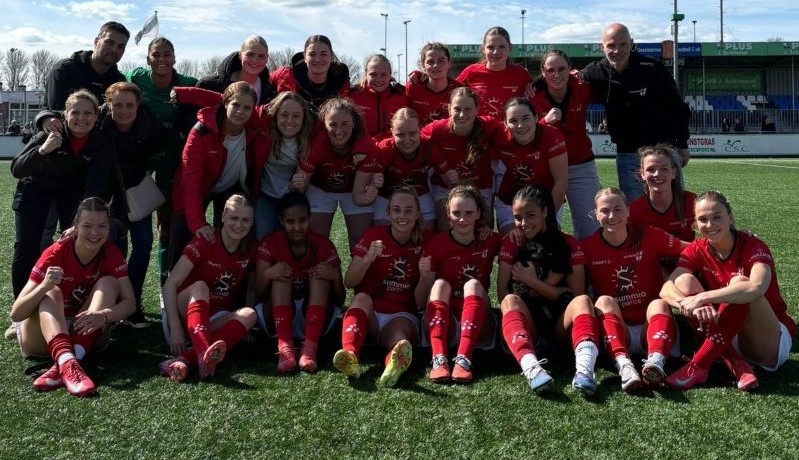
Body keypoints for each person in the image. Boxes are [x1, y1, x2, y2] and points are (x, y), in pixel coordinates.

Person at [660, 191, 796, 391]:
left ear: (730, 218)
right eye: (703, 219)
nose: (710, 224)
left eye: (717, 217)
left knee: (740, 283)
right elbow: (666, 288)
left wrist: (703, 297)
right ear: (695, 225)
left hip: (768, 342)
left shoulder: (752, 245)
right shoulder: (697, 248)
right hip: (727, 334)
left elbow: (756, 287)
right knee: (684, 281)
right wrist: (686, 303)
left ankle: (699, 364)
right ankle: (736, 363)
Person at [11, 197, 135, 397]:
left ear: (109, 226)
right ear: (76, 226)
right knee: (52, 291)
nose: (95, 233)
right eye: (87, 226)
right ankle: (69, 360)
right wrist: (44, 286)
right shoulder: (56, 252)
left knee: (109, 283)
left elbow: (130, 304)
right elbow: (16, 314)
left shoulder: (111, 253)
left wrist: (103, 316)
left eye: (102, 226)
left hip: (85, 335)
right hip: (44, 337)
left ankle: (67, 361)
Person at [497, 184, 601, 394]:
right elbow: (502, 295)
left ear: (545, 212)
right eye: (517, 217)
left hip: (560, 326)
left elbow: (576, 294)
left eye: (530, 215)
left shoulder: (567, 243)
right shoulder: (512, 242)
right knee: (509, 301)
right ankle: (532, 368)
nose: (524, 223)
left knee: (583, 302)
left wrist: (533, 282)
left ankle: (584, 371)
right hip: (532, 326)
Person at [581, 188, 687, 391]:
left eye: (618, 209)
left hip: (652, 325)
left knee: (659, 302)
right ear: (595, 214)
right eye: (604, 210)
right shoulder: (586, 247)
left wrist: (732, 237)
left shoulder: (647, 235)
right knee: (603, 301)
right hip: (618, 330)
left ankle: (656, 362)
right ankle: (624, 364)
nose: (612, 216)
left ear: (628, 211)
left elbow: (691, 248)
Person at [10, 90, 113, 299]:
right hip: (35, 189)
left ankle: (71, 300)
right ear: (65, 115)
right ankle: (22, 306)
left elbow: (96, 183)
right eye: (75, 112)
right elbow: (17, 168)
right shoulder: (50, 132)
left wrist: (81, 220)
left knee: (76, 242)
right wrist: (43, 150)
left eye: (88, 113)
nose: (81, 118)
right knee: (26, 247)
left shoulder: (99, 141)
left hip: (69, 192)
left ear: (96, 116)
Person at [581, 23, 691, 202]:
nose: (617, 51)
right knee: (636, 210)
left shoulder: (653, 68)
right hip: (627, 154)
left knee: (672, 207)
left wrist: (683, 143)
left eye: (623, 44)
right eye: (611, 45)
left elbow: (678, 107)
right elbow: (565, 80)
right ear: (602, 47)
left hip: (663, 151)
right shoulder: (594, 72)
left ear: (631, 43)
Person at [332, 187, 429, 388]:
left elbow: (420, 303)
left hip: (402, 314)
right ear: (388, 212)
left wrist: (424, 277)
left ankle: (393, 366)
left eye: (409, 210)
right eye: (397, 210)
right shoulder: (374, 235)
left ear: (418, 214)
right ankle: (350, 354)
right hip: (371, 315)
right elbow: (349, 282)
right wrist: (368, 259)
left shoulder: (427, 240)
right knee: (360, 298)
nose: (402, 216)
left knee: (400, 340)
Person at [160, 194, 257, 382]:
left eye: (245, 220)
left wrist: (246, 329)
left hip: (214, 319)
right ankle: (203, 353)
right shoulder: (206, 240)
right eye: (234, 218)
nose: (239, 225)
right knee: (200, 287)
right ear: (222, 217)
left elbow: (252, 288)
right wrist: (175, 328)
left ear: (252, 222)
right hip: (182, 315)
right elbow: (170, 284)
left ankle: (184, 360)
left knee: (249, 314)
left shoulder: (251, 247)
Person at [126, 37, 198, 285]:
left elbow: (210, 98)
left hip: (171, 159)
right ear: (148, 59)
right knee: (134, 221)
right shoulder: (136, 77)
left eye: (167, 54)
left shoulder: (188, 83)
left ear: (174, 58)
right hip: (142, 160)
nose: (162, 59)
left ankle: (164, 283)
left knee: (166, 226)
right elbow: (116, 90)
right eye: (156, 55)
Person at [254, 192, 345, 374]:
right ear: (281, 221)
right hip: (276, 319)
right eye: (290, 222)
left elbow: (340, 299)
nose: (297, 227)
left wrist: (334, 276)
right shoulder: (270, 243)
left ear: (310, 219)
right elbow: (259, 294)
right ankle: (285, 348)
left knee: (319, 274)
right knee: (281, 274)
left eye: (302, 220)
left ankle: (310, 348)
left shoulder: (323, 245)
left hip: (314, 320)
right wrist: (269, 274)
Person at [168, 81, 256, 268]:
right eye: (235, 105)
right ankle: (171, 280)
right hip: (199, 188)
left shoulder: (254, 124)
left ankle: (223, 280)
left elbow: (281, 108)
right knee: (183, 235)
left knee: (231, 236)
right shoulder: (201, 132)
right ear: (225, 104)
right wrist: (197, 224)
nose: (241, 111)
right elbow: (190, 182)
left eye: (247, 108)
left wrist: (185, 93)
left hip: (230, 189)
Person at [418, 185, 500, 383]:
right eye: (456, 213)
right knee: (440, 284)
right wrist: (423, 277)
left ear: (479, 213)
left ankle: (464, 359)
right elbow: (420, 302)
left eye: (469, 213)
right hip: (443, 324)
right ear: (448, 214)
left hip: (478, 325)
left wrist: (515, 235)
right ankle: (438, 359)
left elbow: (513, 249)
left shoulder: (491, 240)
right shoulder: (436, 244)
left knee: (473, 285)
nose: (462, 219)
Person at [99, 81, 166, 327]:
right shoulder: (99, 122)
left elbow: (162, 149)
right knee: (115, 249)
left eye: (129, 105)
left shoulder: (150, 123)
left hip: (136, 193)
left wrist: (147, 169)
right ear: (108, 104)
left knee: (143, 244)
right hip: (109, 195)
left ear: (138, 104)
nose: (124, 110)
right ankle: (115, 303)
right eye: (118, 105)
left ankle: (133, 301)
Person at [532, 49, 601, 239]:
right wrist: (544, 122)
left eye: (561, 69)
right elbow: (525, 132)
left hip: (581, 164)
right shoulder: (533, 97)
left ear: (570, 68)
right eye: (550, 70)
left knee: (591, 224)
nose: (556, 74)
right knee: (546, 224)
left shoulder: (583, 88)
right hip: (547, 168)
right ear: (543, 71)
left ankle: (586, 258)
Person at [353, 107, 456, 230]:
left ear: (420, 129)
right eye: (400, 135)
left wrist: (453, 178)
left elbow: (449, 181)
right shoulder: (383, 149)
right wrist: (373, 184)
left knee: (426, 235)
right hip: (387, 196)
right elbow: (372, 183)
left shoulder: (430, 149)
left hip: (420, 195)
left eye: (412, 133)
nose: (407, 140)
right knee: (382, 234)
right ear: (392, 132)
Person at [296, 97, 373, 250]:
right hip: (320, 189)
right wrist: (296, 184)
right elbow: (299, 188)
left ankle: (358, 266)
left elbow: (358, 196)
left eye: (345, 124)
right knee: (317, 241)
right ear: (324, 125)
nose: (339, 131)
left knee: (360, 241)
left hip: (353, 189)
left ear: (354, 123)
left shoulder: (366, 145)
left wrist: (371, 192)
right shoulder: (316, 145)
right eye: (332, 125)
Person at [421, 87, 502, 230]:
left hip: (480, 186)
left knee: (484, 229)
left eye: (468, 109)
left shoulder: (489, 125)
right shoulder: (437, 129)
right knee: (447, 226)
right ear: (449, 109)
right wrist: (442, 167)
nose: (462, 114)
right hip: (446, 187)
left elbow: (513, 137)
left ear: (477, 110)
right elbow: (414, 142)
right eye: (457, 109)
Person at [490, 97, 568, 235]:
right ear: (505, 123)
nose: (520, 125)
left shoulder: (551, 136)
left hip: (545, 201)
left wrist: (548, 217)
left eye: (526, 118)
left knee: (545, 238)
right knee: (513, 240)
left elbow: (561, 181)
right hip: (509, 201)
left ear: (536, 117)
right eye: (513, 121)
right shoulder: (499, 137)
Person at [45, 21, 130, 110]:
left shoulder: (119, 81)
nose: (114, 49)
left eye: (120, 46)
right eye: (109, 42)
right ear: (96, 42)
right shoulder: (65, 70)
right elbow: (57, 113)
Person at [456, 27, 533, 121]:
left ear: (510, 48)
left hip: (509, 129)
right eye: (490, 47)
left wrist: (531, 86)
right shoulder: (470, 72)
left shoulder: (521, 74)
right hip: (478, 129)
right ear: (483, 49)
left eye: (502, 47)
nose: (496, 52)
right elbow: (451, 94)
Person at [629, 144, 696, 244]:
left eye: (664, 169)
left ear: (673, 173)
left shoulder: (692, 202)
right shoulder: (633, 210)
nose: (657, 174)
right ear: (642, 174)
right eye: (650, 169)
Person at [270, 35, 350, 115]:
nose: (318, 59)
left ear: (332, 57)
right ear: (304, 57)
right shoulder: (285, 76)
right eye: (312, 54)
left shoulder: (342, 84)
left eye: (323, 54)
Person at [197, 35, 275, 106]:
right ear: (240, 55)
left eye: (261, 56)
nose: (255, 60)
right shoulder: (208, 86)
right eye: (250, 54)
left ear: (266, 59)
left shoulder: (271, 93)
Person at [349, 54, 408, 141]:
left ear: (390, 75)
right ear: (366, 74)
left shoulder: (401, 98)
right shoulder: (352, 98)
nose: (378, 79)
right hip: (361, 147)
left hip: (390, 147)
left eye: (383, 74)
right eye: (373, 74)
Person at [405, 42, 462, 126]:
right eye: (430, 62)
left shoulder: (459, 90)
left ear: (449, 63)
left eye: (441, 61)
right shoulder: (413, 87)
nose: (435, 65)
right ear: (423, 66)